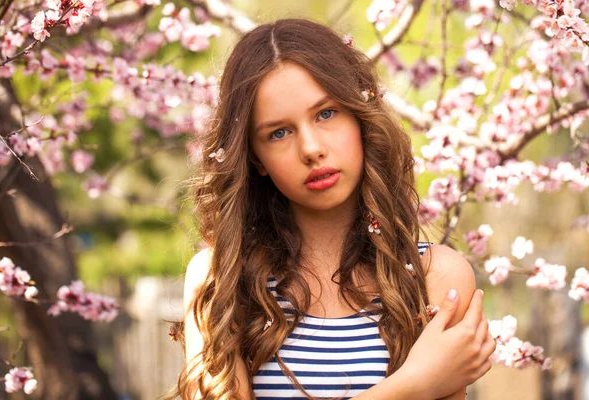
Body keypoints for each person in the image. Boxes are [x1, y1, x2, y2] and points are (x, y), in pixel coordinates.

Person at [169, 18, 496, 400]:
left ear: (360, 116)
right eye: (279, 133)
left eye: (326, 113)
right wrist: (412, 385)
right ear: (256, 158)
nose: (310, 148)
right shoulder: (220, 280)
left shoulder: (435, 278)